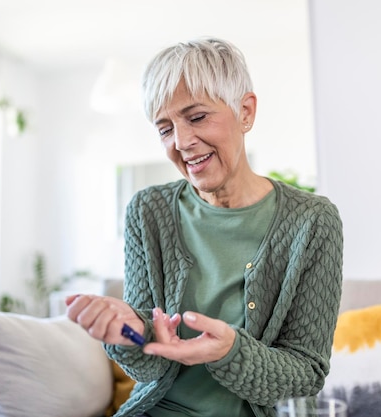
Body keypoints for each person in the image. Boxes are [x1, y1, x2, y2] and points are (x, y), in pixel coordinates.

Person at [66, 37, 343, 417]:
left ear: (245, 112)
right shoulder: (147, 212)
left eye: (196, 117)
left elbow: (306, 374)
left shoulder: (313, 222)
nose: (181, 142)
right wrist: (130, 333)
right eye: (165, 129)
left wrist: (230, 351)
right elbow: (148, 363)